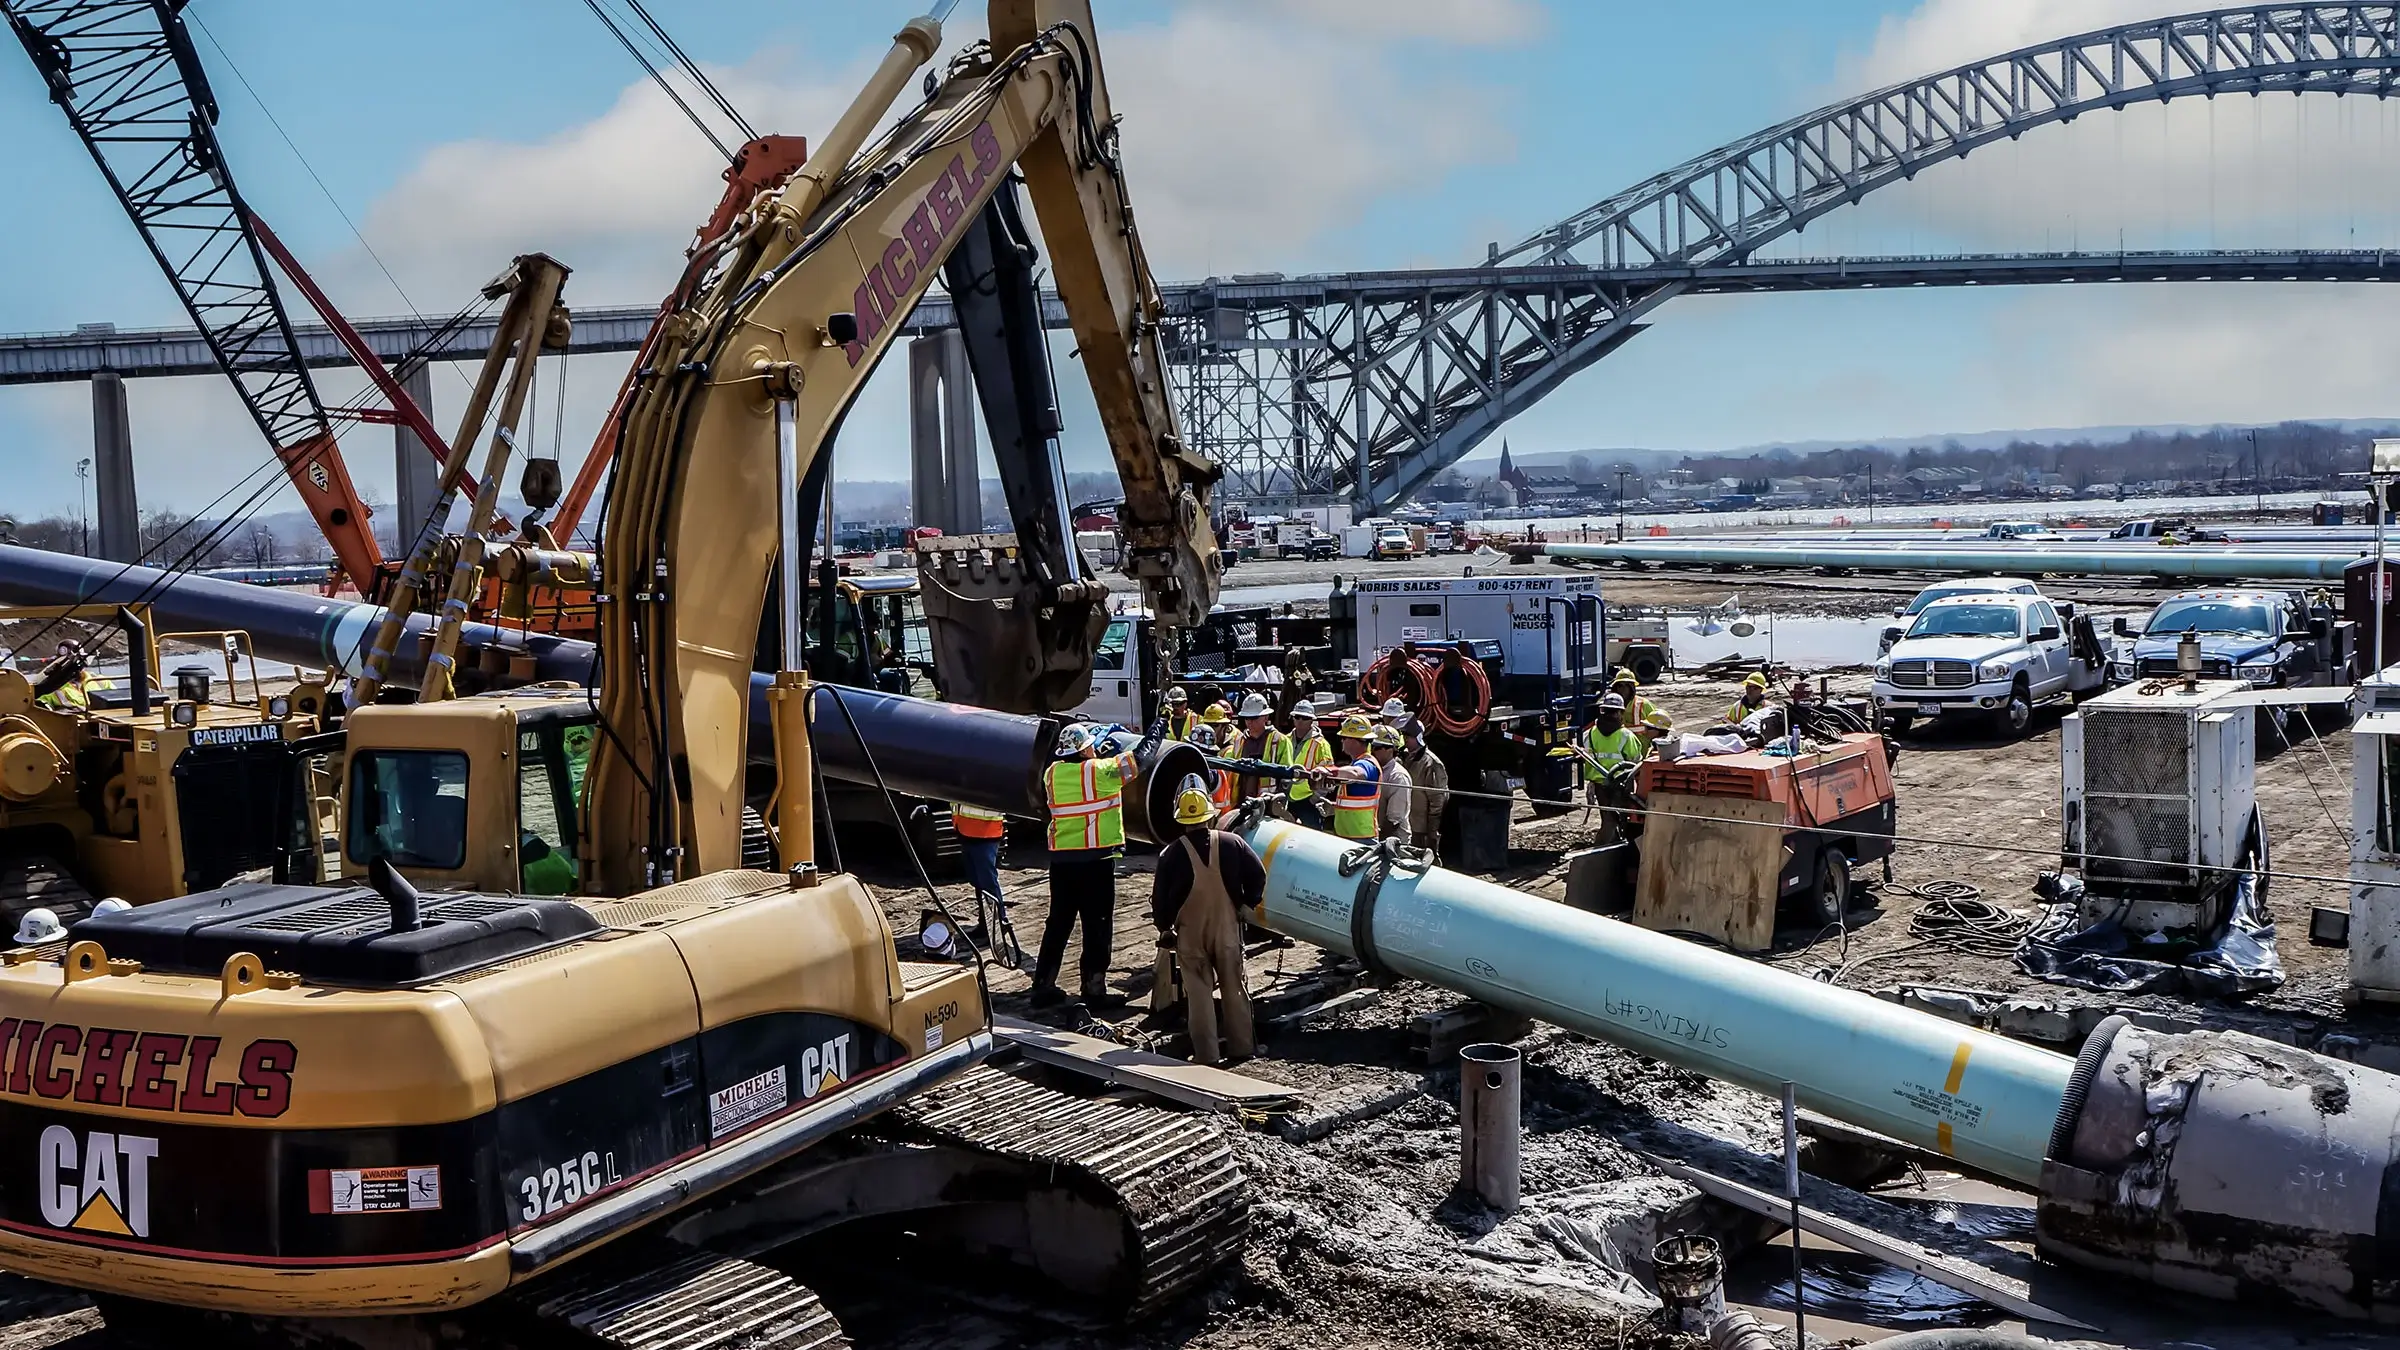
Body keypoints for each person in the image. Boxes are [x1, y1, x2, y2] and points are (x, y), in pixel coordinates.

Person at [1152, 776, 1264, 1066]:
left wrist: (1165, 927)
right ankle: (1242, 1047)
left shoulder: (1171, 854)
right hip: (1226, 928)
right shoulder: (1232, 843)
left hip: (1190, 933)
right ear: (1210, 814)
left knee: (1199, 993)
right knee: (1234, 987)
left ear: (1180, 818)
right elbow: (1258, 875)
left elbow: (1161, 903)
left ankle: (1206, 1056)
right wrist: (1246, 903)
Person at [1033, 723, 1141, 1009]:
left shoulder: (1052, 774)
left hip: (1062, 862)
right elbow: (1141, 758)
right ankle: (1093, 990)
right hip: (1096, 863)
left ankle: (1042, 987)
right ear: (1084, 750)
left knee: (1058, 923)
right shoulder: (1099, 772)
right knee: (1097, 926)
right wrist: (1158, 725)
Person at [1313, 715, 1382, 840]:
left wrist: (1328, 771)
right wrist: (1334, 808)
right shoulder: (1357, 762)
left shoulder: (1367, 764)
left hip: (1362, 839)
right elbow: (1355, 806)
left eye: (1344, 738)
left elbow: (1356, 773)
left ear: (1355, 740)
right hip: (1350, 837)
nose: (1341, 741)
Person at [952, 800, 1008, 932]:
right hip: (966, 829)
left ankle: (997, 924)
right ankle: (986, 923)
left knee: (987, 882)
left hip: (985, 832)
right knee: (977, 880)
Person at [1399, 718, 1450, 861]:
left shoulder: (1431, 763)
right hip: (1410, 824)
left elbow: (1438, 800)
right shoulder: (1407, 758)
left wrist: (1432, 831)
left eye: (1409, 736)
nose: (1406, 740)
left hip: (1422, 829)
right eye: (1404, 736)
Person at [1581, 693, 1648, 800]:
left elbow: (1586, 756)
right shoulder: (1626, 735)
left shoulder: (1590, 733)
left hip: (1599, 785)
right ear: (1620, 713)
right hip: (1621, 783)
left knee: (1606, 813)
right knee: (1622, 813)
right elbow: (1635, 762)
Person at [1278, 702, 1334, 828]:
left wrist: (1314, 799)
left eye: (1305, 718)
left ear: (1312, 721)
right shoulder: (1285, 740)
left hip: (1308, 801)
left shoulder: (1321, 744)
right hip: (1286, 798)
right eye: (1297, 717)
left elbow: (1328, 779)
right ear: (1293, 718)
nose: (1300, 721)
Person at [1231, 693, 1287, 802]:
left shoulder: (1279, 740)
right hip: (1242, 803)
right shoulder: (1239, 741)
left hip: (1268, 805)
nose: (1250, 722)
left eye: (1254, 718)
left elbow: (1286, 777)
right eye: (1247, 718)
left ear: (1266, 717)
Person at [1369, 723, 1412, 848]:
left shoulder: (1398, 776)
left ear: (1390, 749)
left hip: (1394, 843)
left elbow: (1394, 820)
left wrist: (1377, 843)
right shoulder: (1375, 770)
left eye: (1376, 747)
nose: (1371, 751)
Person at [1610, 667, 1672, 737]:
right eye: (1620, 685)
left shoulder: (1644, 704)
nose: (1623, 689)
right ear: (1615, 687)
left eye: (1627, 685)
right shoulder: (1610, 706)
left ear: (1632, 687)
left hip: (1644, 747)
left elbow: (1661, 726)